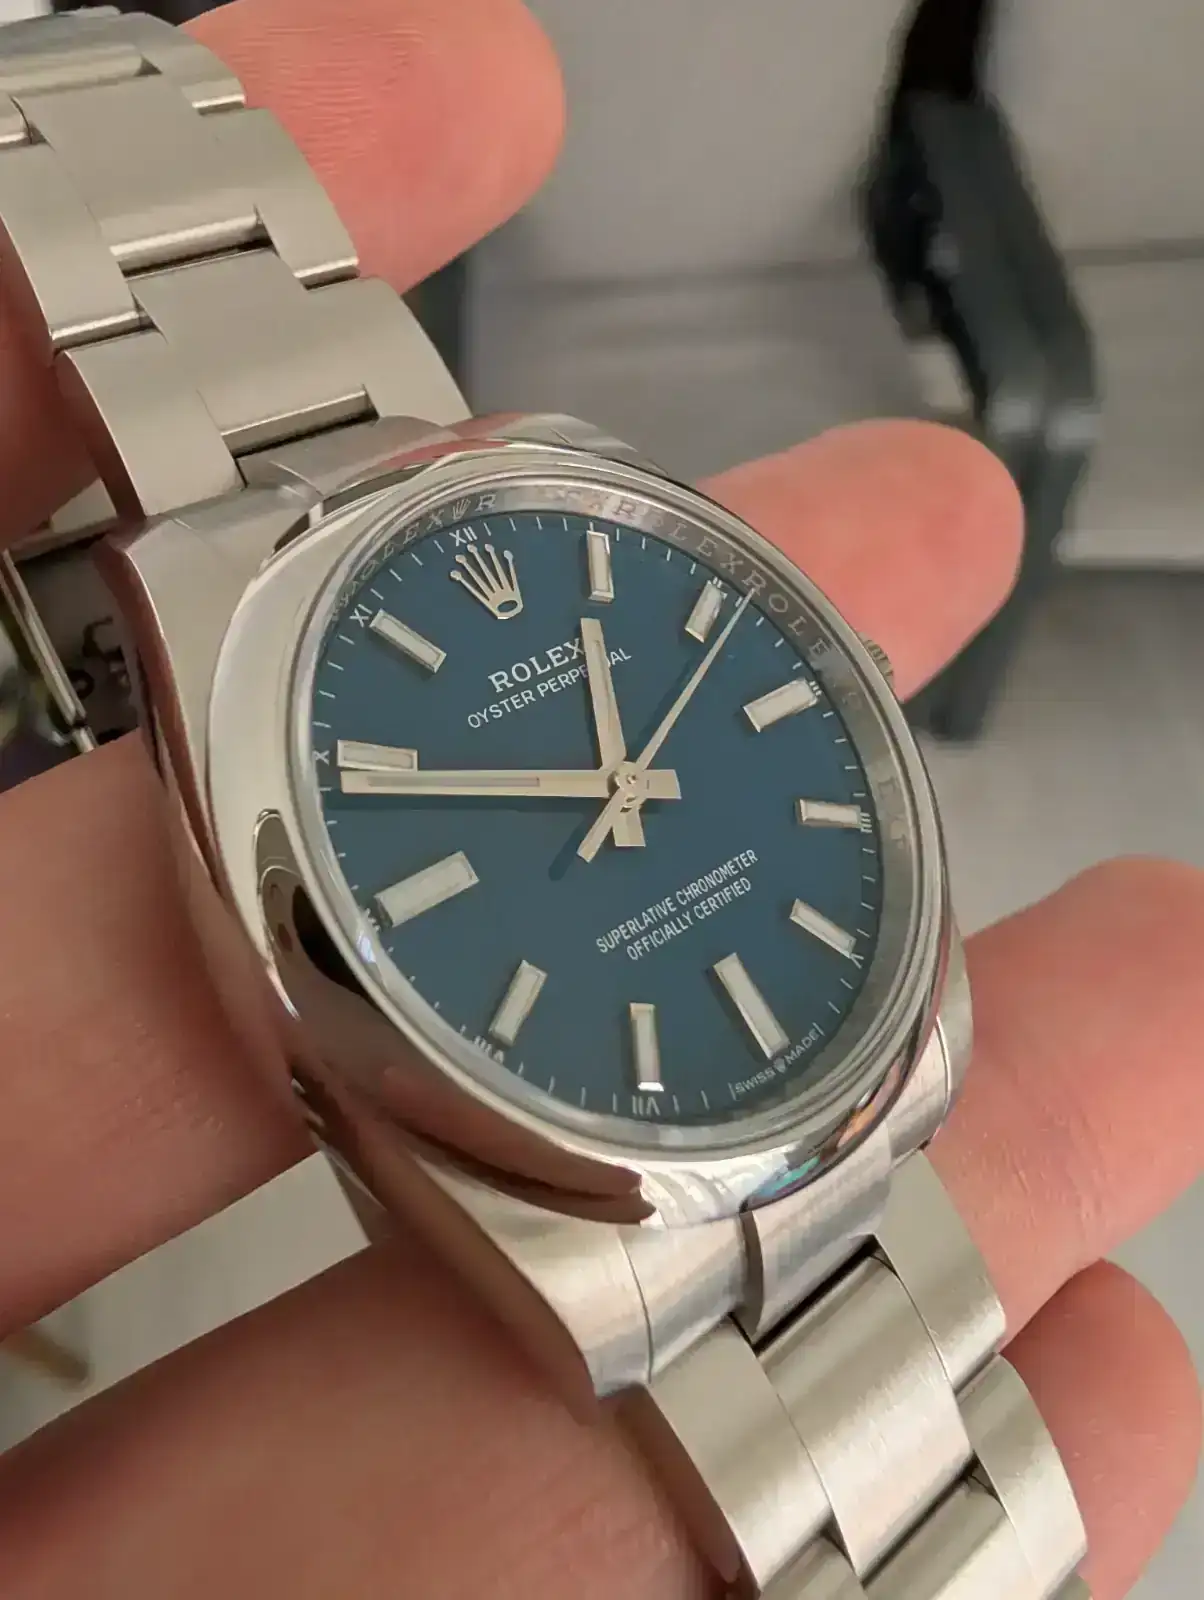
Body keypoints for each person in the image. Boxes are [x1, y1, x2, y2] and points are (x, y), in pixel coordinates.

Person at [0, 0, 1199, 1594]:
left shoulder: (568, 496)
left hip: (822, 1064)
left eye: (626, 771)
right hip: (598, 1134)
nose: (627, 790)